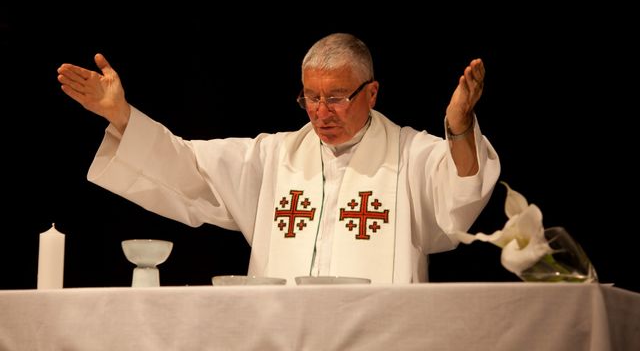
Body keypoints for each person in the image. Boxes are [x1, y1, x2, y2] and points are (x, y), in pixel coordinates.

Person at [57, 33, 500, 284]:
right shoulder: (274, 158)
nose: (321, 112)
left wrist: (459, 124)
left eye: (337, 98)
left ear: (372, 93)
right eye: (310, 97)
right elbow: (186, 164)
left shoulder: (408, 155)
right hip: (283, 333)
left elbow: (458, 194)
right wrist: (122, 115)